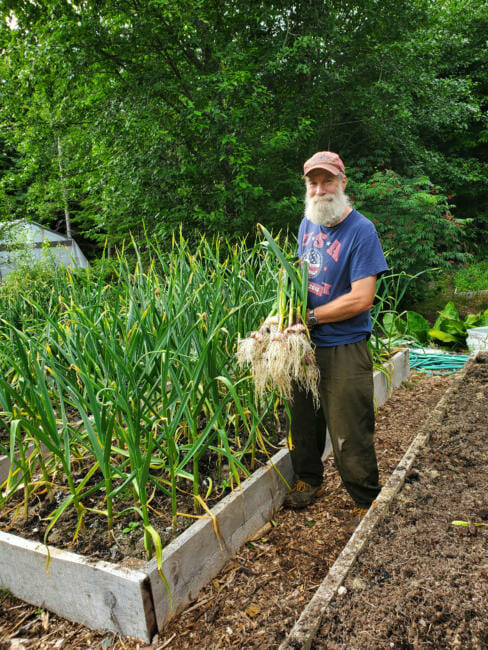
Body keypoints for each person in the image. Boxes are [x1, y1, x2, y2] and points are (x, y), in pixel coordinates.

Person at [283, 151, 388, 513]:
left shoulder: (361, 231)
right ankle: (308, 479)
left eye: (327, 180)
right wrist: (280, 317)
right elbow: (297, 281)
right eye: (313, 182)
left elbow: (361, 299)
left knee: (350, 431)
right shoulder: (306, 224)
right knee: (303, 420)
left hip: (343, 346)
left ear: (342, 182)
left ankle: (365, 500)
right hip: (302, 344)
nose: (320, 189)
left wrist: (309, 318)